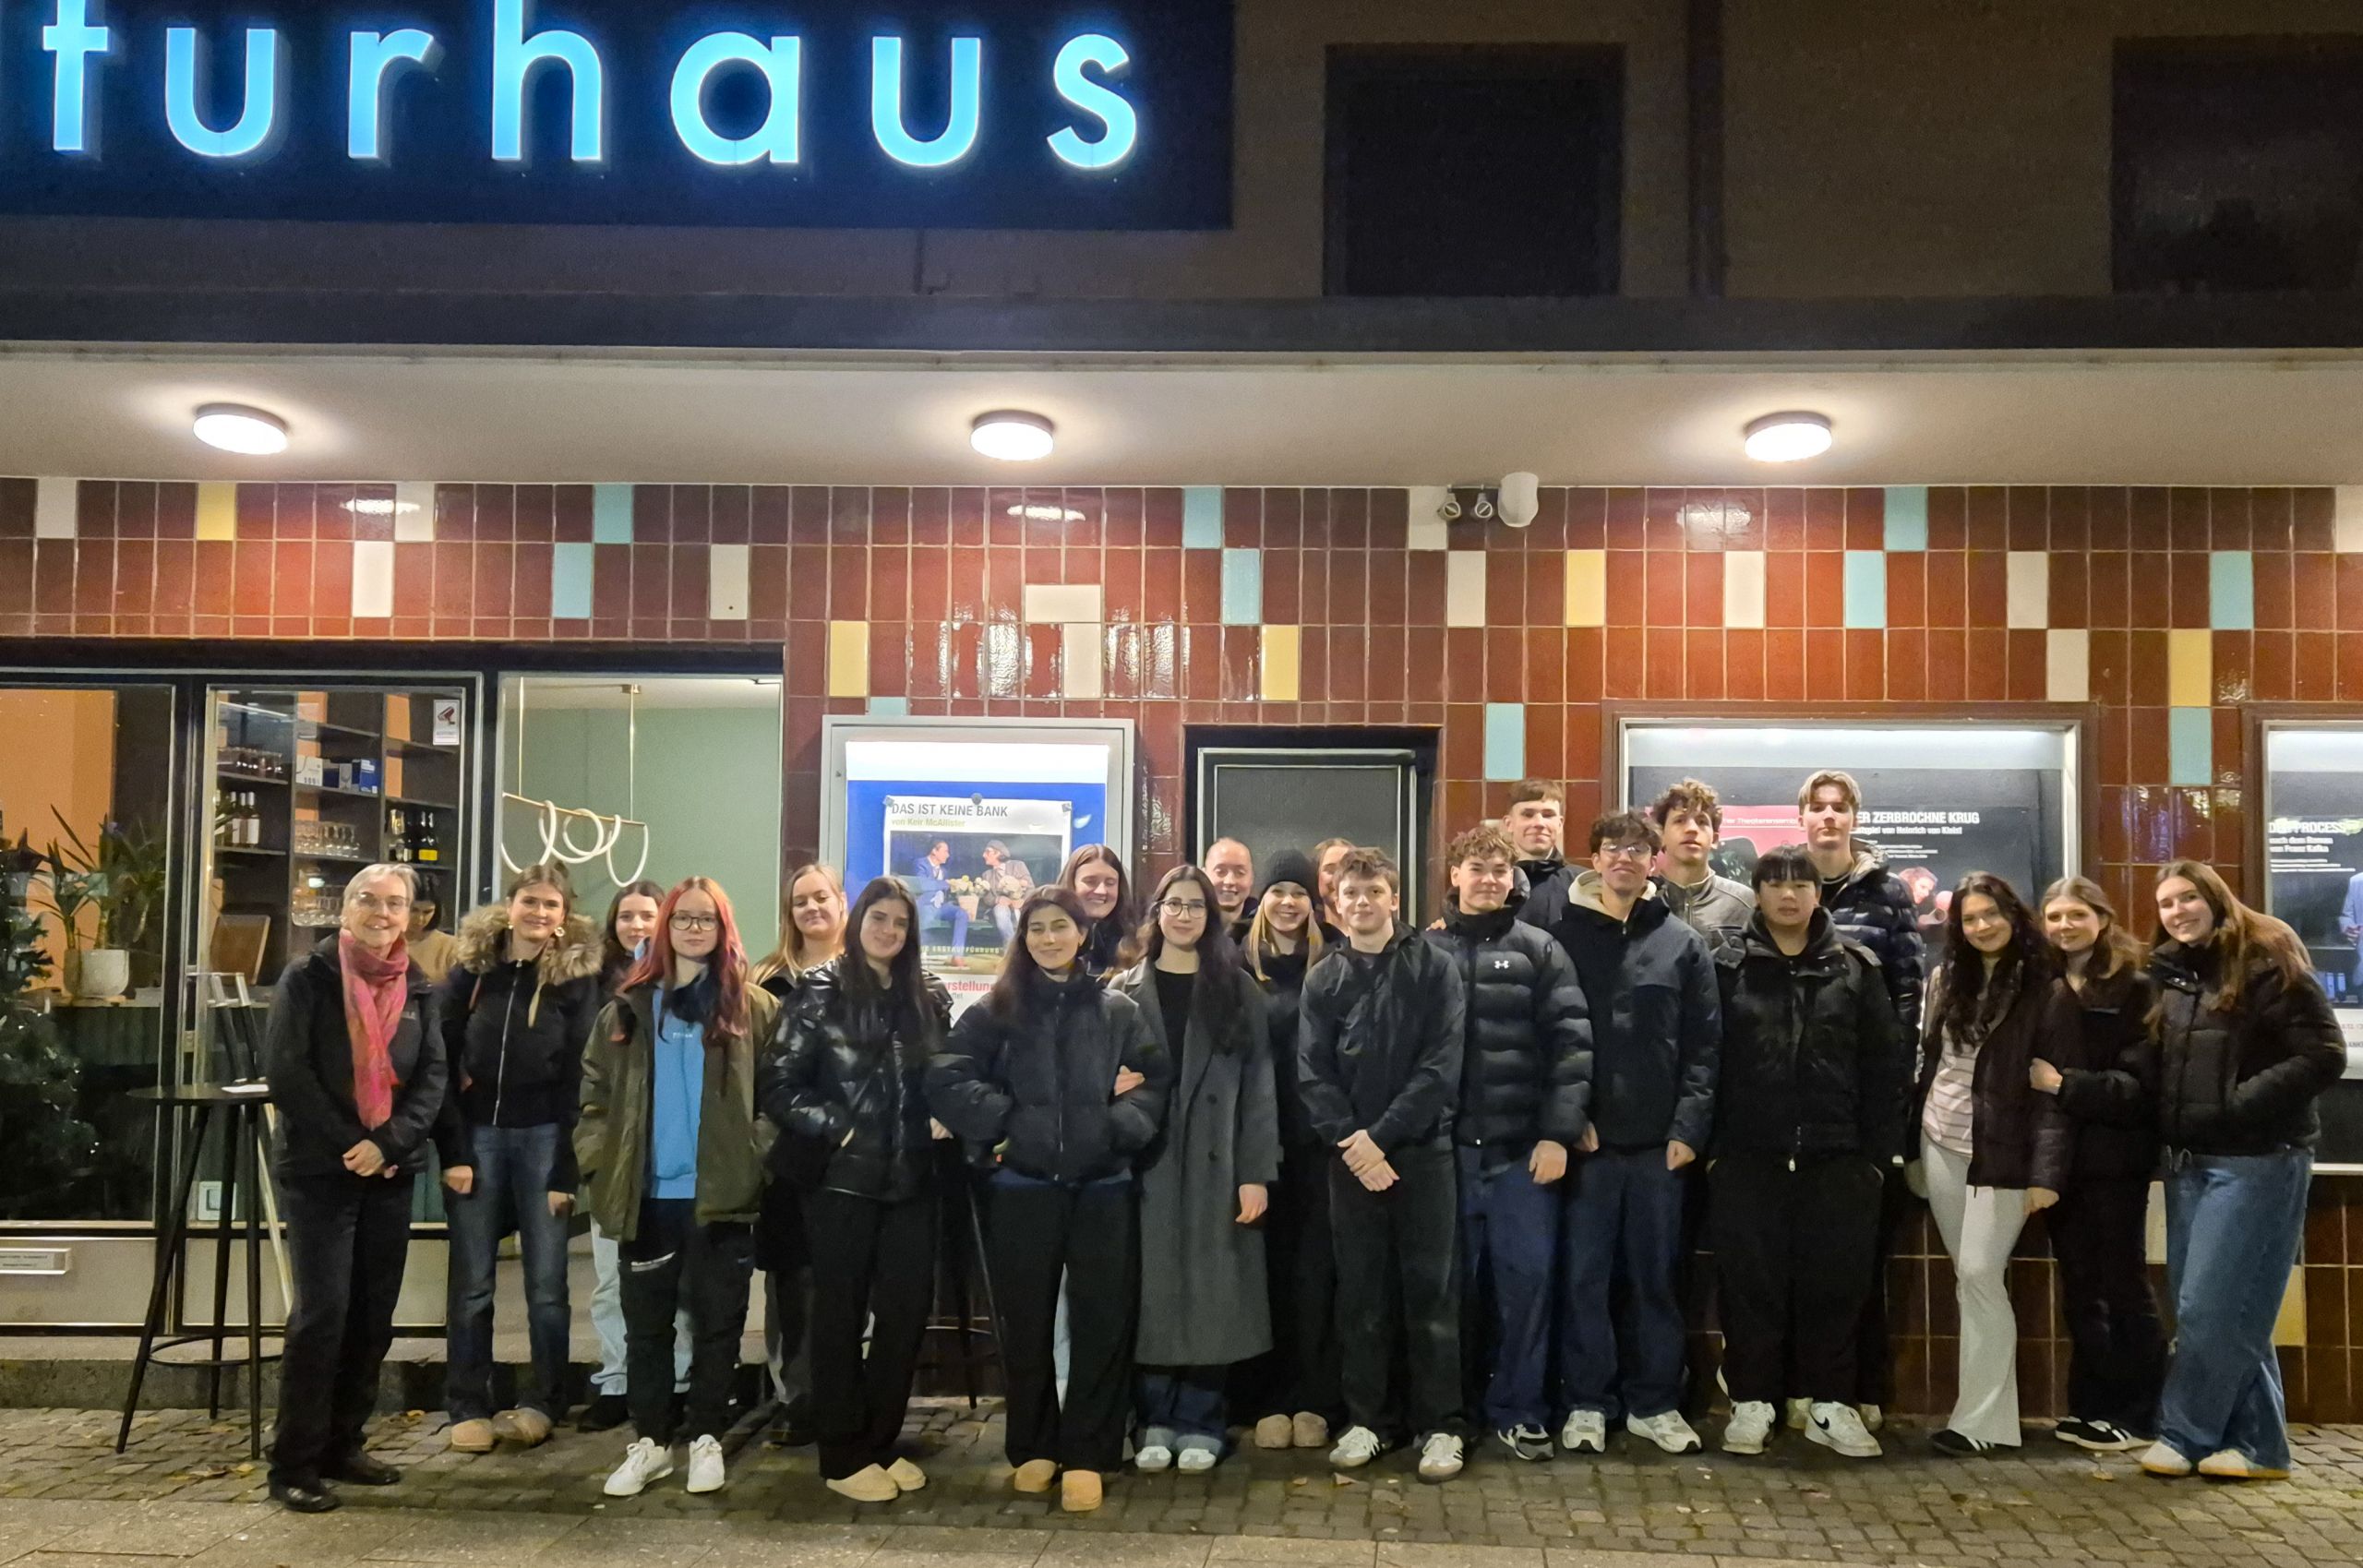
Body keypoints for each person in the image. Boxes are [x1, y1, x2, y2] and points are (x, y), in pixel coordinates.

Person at [927, 886, 1171, 1514]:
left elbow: (1154, 1083)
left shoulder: (1117, 1009)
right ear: (1023, 936)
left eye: (1060, 926)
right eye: (1037, 928)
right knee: (1025, 1322)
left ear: (1081, 933)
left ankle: (1089, 1452)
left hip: (1103, 1188)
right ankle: (1032, 1445)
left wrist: (1113, 1130)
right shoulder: (997, 1009)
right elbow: (947, 1072)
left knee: (1101, 1322)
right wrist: (1008, 1126)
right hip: (1021, 1188)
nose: (1048, 938)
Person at [2139, 860, 2344, 1482]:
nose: (2177, 911)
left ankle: (2183, 1433)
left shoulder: (2265, 958)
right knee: (2229, 1307)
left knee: (2208, 1306)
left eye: (2187, 898)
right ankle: (2260, 1445)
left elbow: (2324, 1052)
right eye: (2166, 903)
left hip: (2259, 1160)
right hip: (2191, 1163)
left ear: (2215, 897)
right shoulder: (2173, 973)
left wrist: (2239, 1103)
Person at [578, 877, 782, 1500]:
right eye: (683, 918)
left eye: (707, 919)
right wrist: (599, 1163)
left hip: (723, 1193)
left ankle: (707, 1438)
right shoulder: (627, 1009)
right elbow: (594, 1098)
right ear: (664, 927)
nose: (695, 929)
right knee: (648, 1326)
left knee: (721, 1323)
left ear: (724, 929)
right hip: (647, 1197)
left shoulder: (753, 1007)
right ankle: (650, 1440)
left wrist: (755, 1157)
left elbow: (777, 1096)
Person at [1525, 811, 1720, 1457]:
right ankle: (1586, 1401)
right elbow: (1546, 1042)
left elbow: (1703, 1046)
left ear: (1654, 859)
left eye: (1638, 848)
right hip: (1588, 1143)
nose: (1625, 859)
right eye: (1613, 848)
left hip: (1660, 1146)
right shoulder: (1558, 940)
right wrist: (1564, 1117)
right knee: (1585, 1278)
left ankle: (1655, 1401)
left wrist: (1689, 1127)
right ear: (1594, 857)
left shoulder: (1682, 942)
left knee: (1656, 1279)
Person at [760, 877, 954, 1502]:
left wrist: (947, 1110)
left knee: (903, 1317)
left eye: (900, 921)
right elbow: (778, 1083)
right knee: (838, 1317)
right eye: (880, 917)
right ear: (858, 919)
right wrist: (836, 1129)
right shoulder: (818, 992)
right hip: (841, 1183)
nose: (889, 930)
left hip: (913, 1180)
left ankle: (878, 1440)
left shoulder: (926, 995)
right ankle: (842, 1454)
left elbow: (944, 1071)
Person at [263, 864, 447, 1514]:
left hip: (390, 1173)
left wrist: (389, 1144)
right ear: (346, 908)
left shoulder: (419, 987)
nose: (382, 911)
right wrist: (353, 1144)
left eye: (395, 902)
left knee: (372, 1317)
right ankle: (294, 1461)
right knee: (322, 1316)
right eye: (369, 899)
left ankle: (345, 1443)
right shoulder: (308, 978)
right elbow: (289, 1073)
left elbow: (432, 1079)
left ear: (410, 915)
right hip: (321, 1172)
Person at [1709, 845, 1900, 1460]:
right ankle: (1753, 1402)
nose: (1788, 895)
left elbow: (1884, 1067)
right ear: (1758, 893)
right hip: (1748, 1156)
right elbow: (1705, 1061)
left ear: (1820, 893)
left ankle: (1829, 1403)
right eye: (1776, 884)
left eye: (1801, 883)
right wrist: (1716, 1150)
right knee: (1750, 1286)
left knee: (1837, 1287)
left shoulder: (1857, 967)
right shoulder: (1728, 965)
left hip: (1838, 1157)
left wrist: (1876, 1156)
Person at [1300, 847, 1469, 1482]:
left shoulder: (1434, 966)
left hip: (1422, 1154)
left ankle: (1442, 1426)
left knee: (1432, 1295)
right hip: (1351, 1162)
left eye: (1375, 889)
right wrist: (1352, 1140)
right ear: (1335, 903)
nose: (1363, 901)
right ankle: (1370, 1420)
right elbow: (1312, 1073)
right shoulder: (1325, 977)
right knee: (1362, 1296)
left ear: (1395, 898)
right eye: (1351, 892)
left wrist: (1385, 1136)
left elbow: (1441, 1065)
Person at [1424, 824, 1590, 1464]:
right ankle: (1451, 1413)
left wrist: (1557, 1133)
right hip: (1447, 1157)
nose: (1489, 878)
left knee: (1527, 1287)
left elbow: (1572, 1045)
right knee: (1452, 1294)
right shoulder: (1424, 952)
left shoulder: (1541, 949)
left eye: (1500, 869)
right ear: (1455, 875)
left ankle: (1521, 1412)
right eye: (1477, 867)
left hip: (1523, 1155)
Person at [1110, 866, 1277, 1474]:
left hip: (1220, 1159)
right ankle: (1155, 1417)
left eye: (1195, 906)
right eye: (1173, 904)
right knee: (1155, 1289)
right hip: (1148, 1159)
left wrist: (1257, 1171)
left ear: (1213, 917)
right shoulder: (1124, 990)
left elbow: (1261, 1088)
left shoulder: (1238, 991)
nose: (1183, 915)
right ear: (1156, 913)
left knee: (1214, 1289)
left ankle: (1202, 1419)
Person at [432, 862, 602, 1454]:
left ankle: (544, 1399)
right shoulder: (472, 972)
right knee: (473, 1282)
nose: (539, 913)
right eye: (530, 901)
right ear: (511, 905)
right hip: (476, 1137)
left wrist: (565, 1170)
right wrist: (452, 1149)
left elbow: (583, 1074)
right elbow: (441, 1062)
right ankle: (467, 1403)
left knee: (547, 1284)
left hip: (544, 1141)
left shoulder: (578, 980)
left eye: (551, 905)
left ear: (563, 918)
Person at [1910, 873, 2078, 1457]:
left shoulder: (2046, 987)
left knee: (1981, 1275)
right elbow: (1929, 1065)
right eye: (1969, 918)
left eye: (1990, 914)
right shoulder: (1944, 979)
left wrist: (2044, 1175)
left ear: (2013, 914)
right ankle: (1991, 1422)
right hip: (1941, 1140)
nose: (1981, 926)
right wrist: (1913, 1145)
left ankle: (1980, 1420)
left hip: (2002, 1151)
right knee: (1970, 1280)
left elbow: (2052, 1089)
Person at [1799, 770, 1925, 1431]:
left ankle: (1858, 1388)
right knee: (1800, 1260)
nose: (1827, 818)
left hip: (1864, 1111)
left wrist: (1895, 1095)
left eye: (1838, 808)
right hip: (1797, 1115)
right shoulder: (1783, 884)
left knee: (1861, 1260)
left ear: (1854, 817)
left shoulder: (1888, 894)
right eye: (1816, 808)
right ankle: (1799, 1389)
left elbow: (1910, 993)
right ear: (1801, 818)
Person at [2027, 876, 2165, 1454]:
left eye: (2076, 915)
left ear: (2102, 919)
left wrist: (2065, 1086)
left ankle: (2138, 1416)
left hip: (2116, 1159)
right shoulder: (2043, 982)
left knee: (2122, 1286)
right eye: (2054, 916)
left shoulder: (2136, 987)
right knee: (2082, 1287)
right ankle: (2090, 1409)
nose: (2064, 926)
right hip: (2064, 1163)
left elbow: (2139, 1084)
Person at [1235, 849, 1342, 1451]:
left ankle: (1316, 1397)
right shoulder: (1238, 966)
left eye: (1298, 892)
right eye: (1278, 890)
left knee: (1315, 1274)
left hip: (1318, 1144)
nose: (1287, 902)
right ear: (1263, 899)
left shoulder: (1335, 963)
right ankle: (1267, 1397)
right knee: (1263, 1271)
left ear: (1313, 902)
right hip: (1257, 1143)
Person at [748, 863, 846, 1445]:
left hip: (849, 1150)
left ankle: (837, 1389)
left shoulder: (866, 975)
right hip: (787, 1153)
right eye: (800, 902)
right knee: (790, 1281)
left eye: (821, 897)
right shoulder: (766, 980)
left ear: (841, 902)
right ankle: (796, 1398)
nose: (811, 909)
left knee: (841, 1279)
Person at [579, 879, 677, 1435]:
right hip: (618, 1158)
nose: (637, 925)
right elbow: (588, 1080)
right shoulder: (590, 987)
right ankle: (617, 1380)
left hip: (672, 1159)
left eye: (648, 915)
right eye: (627, 916)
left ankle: (678, 1384)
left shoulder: (689, 984)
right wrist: (591, 1155)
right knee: (612, 1280)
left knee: (675, 1284)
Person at [1648, 779, 1755, 947]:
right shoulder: (1641, 900)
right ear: (1661, 836)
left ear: (1715, 839)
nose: (1691, 829)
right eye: (1680, 820)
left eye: (1702, 821)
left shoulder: (1745, 902)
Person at [1056, 843, 1139, 977]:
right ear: (1071, 883)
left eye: (1110, 883)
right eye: (1090, 881)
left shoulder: (1138, 945)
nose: (1101, 891)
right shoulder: (1047, 938)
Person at [1502, 780, 1568, 892]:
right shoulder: (1491, 884)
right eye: (1528, 815)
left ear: (1560, 824)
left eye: (1548, 815)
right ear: (1509, 824)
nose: (1539, 823)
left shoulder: (1581, 887)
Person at [910, 839, 970, 957]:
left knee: (962, 914)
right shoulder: (920, 863)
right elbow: (923, 885)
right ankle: (920, 952)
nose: (948, 855)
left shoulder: (944, 871)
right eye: (945, 851)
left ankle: (957, 955)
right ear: (934, 851)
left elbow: (945, 892)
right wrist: (946, 883)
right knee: (926, 915)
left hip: (941, 907)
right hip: (925, 905)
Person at [404, 878, 461, 985]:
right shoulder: (384, 941)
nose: (420, 919)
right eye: (414, 910)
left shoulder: (449, 946)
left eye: (427, 912)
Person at [979, 841, 1036, 944]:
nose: (983, 855)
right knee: (1000, 910)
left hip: (1020, 908)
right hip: (1001, 909)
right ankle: (1011, 946)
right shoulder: (986, 875)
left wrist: (1022, 901)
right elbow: (986, 898)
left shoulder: (1018, 866)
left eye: (987, 852)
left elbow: (1031, 888)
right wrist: (998, 899)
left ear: (998, 853)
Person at [1204, 838, 1257, 942]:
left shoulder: (1265, 930)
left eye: (1240, 873)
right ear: (1204, 875)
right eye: (1220, 872)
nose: (1229, 881)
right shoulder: (1189, 926)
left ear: (1251, 878)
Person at [1313, 837, 1356, 929]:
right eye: (1330, 870)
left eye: (1347, 869)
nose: (1338, 878)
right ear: (1317, 876)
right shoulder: (1306, 938)